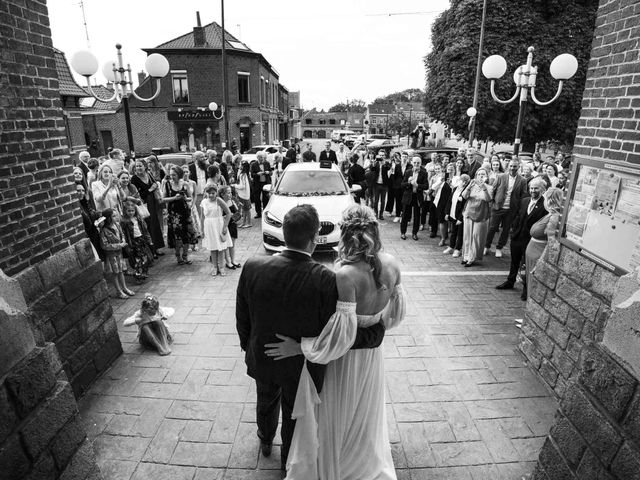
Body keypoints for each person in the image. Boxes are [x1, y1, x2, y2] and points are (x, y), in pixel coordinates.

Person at [235, 204, 386, 474]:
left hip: (264, 356)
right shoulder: (326, 279)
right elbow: (337, 333)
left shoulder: (253, 265)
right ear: (315, 238)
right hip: (301, 367)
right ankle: (287, 465)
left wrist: (250, 346)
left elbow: (242, 316)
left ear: (284, 232)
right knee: (295, 414)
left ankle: (265, 437)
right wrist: (376, 331)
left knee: (265, 400)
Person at [495, 177, 548, 299]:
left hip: (531, 241)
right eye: (531, 188)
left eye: (536, 188)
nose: (533, 191)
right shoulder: (524, 200)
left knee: (527, 265)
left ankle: (526, 288)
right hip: (517, 237)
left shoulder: (545, 205)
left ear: (543, 189)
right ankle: (510, 281)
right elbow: (517, 216)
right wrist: (513, 232)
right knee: (514, 262)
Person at [485, 158, 529, 258]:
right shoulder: (501, 176)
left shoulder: (522, 180)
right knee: (492, 228)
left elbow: (523, 195)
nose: (513, 168)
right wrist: (492, 202)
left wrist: (519, 209)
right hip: (498, 207)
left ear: (518, 167)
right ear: (508, 166)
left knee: (506, 229)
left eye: (515, 166)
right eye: (511, 166)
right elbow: (493, 190)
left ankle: (499, 248)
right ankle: (486, 246)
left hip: (511, 209)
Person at [525, 187, 563, 295]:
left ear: (550, 200)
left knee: (534, 288)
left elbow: (552, 243)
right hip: (533, 254)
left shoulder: (554, 218)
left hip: (538, 256)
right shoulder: (550, 214)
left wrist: (540, 263)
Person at [162, 165, 197, 265]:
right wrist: (174, 198)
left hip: (185, 212)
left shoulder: (185, 184)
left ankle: (185, 256)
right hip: (174, 215)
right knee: (177, 236)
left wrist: (185, 198)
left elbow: (190, 197)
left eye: (174, 175)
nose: (172, 177)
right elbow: (162, 199)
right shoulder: (167, 184)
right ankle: (178, 257)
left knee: (186, 235)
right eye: (171, 175)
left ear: (179, 174)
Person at [131, 159, 166, 258]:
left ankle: (157, 248)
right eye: (137, 166)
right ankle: (151, 251)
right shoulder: (134, 179)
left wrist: (153, 188)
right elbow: (137, 194)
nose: (138, 168)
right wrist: (150, 189)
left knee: (155, 225)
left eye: (140, 166)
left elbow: (156, 184)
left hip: (153, 203)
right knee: (147, 226)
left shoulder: (149, 174)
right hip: (143, 204)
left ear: (145, 166)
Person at [98, 208, 134, 298]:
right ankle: (119, 291)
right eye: (113, 216)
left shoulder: (117, 225)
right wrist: (119, 245)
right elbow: (104, 245)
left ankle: (125, 288)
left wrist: (123, 241)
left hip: (119, 253)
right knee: (115, 273)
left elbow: (122, 235)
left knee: (121, 271)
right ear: (108, 218)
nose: (116, 217)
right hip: (111, 256)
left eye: (116, 215)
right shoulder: (104, 230)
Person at [461, 168, 493, 267]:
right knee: (467, 236)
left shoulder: (489, 187)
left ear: (486, 176)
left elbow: (487, 199)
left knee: (476, 237)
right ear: (476, 176)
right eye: (479, 174)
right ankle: (466, 256)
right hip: (469, 213)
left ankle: (472, 258)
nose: (481, 176)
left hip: (481, 215)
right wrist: (468, 187)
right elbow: (464, 196)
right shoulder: (472, 185)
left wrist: (483, 187)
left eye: (483, 174)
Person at [200, 184, 233, 276]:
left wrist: (225, 226)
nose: (211, 195)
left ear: (216, 193)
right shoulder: (203, 202)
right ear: (206, 193)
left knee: (221, 248)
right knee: (213, 248)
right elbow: (202, 217)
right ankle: (215, 267)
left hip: (218, 225)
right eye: (209, 193)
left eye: (213, 193)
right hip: (209, 226)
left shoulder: (218, 200)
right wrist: (202, 230)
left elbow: (228, 213)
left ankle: (221, 267)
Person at [120, 200, 154, 282]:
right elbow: (123, 233)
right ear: (125, 211)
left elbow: (145, 230)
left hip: (141, 240)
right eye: (129, 211)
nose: (131, 212)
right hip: (132, 242)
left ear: (135, 211)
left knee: (145, 257)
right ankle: (138, 275)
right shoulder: (124, 221)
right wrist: (126, 244)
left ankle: (144, 272)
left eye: (132, 210)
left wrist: (149, 239)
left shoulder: (139, 219)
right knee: (136, 259)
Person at [400, 156, 428, 241]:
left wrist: (417, 185)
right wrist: (408, 182)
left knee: (416, 216)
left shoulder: (424, 173)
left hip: (417, 197)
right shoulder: (408, 172)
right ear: (412, 163)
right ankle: (403, 232)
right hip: (408, 196)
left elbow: (426, 186)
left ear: (420, 163)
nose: (416, 164)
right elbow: (402, 185)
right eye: (415, 162)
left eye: (418, 163)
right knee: (405, 215)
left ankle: (414, 233)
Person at [443, 174, 470, 258]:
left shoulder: (466, 191)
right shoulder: (455, 189)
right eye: (463, 180)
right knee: (453, 232)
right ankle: (451, 246)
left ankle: (457, 249)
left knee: (460, 233)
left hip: (460, 217)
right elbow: (449, 201)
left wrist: (460, 219)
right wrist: (447, 213)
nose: (464, 183)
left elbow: (466, 207)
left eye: (466, 181)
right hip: (453, 214)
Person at [76, 182, 104, 261]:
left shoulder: (85, 203)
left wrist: (99, 215)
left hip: (93, 233)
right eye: (78, 191)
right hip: (86, 236)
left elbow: (91, 213)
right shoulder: (76, 207)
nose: (81, 193)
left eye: (83, 190)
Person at [220, 186, 242, 269]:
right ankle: (228, 262)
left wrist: (237, 213)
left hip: (232, 224)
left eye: (230, 192)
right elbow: (219, 215)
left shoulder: (232, 201)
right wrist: (226, 216)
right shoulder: (221, 203)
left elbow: (237, 212)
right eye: (228, 193)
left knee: (232, 244)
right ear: (222, 194)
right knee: (226, 244)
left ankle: (233, 260)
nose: (230, 194)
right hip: (225, 225)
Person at [182, 165, 202, 251]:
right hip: (183, 205)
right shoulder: (181, 183)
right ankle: (188, 243)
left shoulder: (193, 183)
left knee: (194, 224)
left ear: (189, 173)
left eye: (187, 172)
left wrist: (193, 204)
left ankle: (194, 242)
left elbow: (195, 195)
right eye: (184, 172)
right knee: (187, 225)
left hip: (191, 205)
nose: (185, 173)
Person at [250, 151, 272, 218]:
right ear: (257, 157)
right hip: (257, 183)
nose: (262, 158)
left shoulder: (267, 163)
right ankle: (258, 213)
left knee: (265, 198)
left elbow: (271, 172)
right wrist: (257, 174)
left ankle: (265, 212)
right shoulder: (254, 164)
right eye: (260, 157)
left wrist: (269, 172)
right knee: (257, 199)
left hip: (265, 183)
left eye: (263, 157)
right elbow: (252, 175)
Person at [371, 151, 391, 220]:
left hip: (384, 185)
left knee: (383, 201)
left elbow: (388, 168)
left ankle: (381, 214)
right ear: (378, 156)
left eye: (382, 155)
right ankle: (376, 213)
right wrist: (373, 164)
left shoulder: (386, 163)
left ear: (385, 156)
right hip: (376, 184)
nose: (381, 157)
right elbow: (372, 169)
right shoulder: (375, 163)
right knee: (375, 200)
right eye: (380, 155)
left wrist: (384, 164)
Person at [233, 161, 253, 228]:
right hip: (243, 194)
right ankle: (244, 222)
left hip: (244, 195)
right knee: (244, 209)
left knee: (247, 210)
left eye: (241, 165)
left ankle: (249, 223)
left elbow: (242, 186)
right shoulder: (243, 174)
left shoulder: (243, 175)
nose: (239, 165)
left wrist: (235, 185)